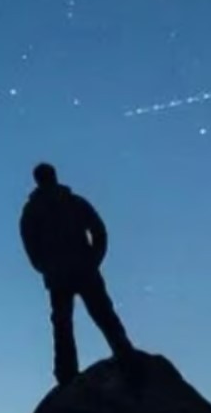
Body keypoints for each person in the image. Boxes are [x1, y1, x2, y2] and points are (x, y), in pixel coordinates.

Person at [19, 162, 136, 386]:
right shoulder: (66, 203)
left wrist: (90, 260)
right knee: (89, 316)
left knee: (73, 320)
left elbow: (31, 244)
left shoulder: (43, 208)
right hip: (75, 271)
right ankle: (120, 353)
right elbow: (98, 230)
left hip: (71, 272)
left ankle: (68, 372)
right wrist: (92, 260)